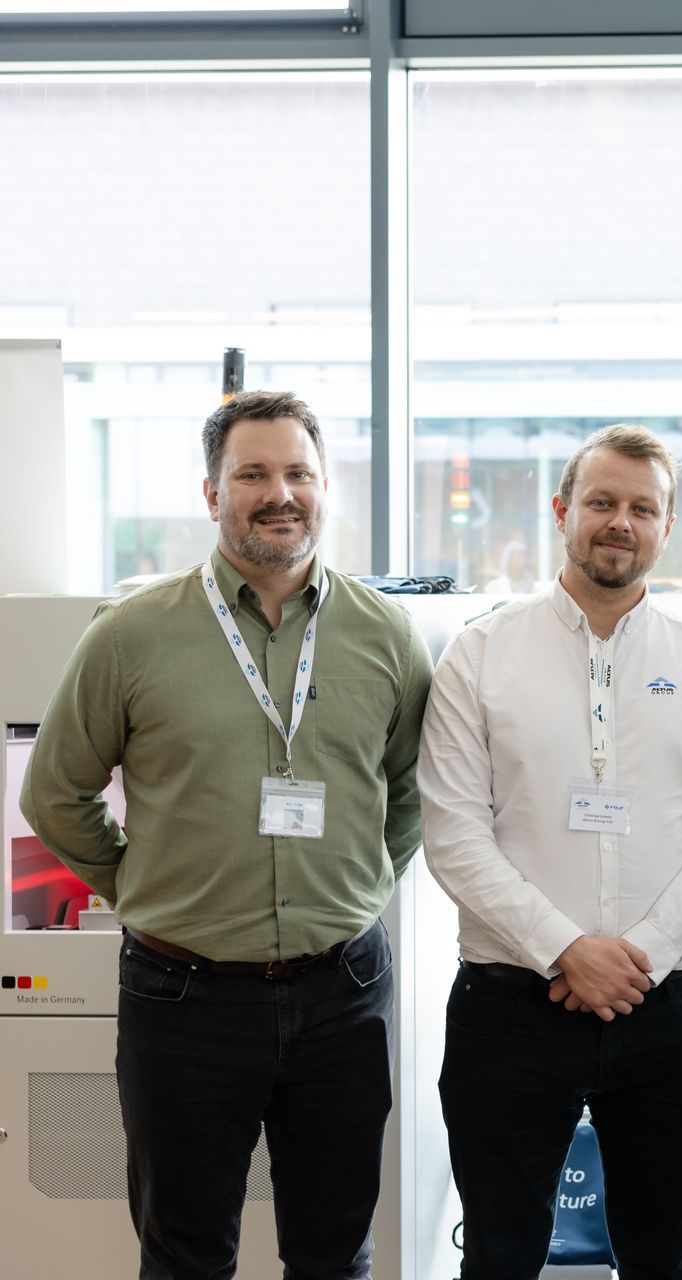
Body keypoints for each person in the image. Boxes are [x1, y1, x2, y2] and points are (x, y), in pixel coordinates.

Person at [21, 389, 434, 1280]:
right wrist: (140, 887)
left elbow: (412, 792)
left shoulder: (388, 636)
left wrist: (365, 884)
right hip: (184, 999)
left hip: (343, 994)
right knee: (185, 1257)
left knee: (335, 1257)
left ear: (324, 488)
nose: (279, 494)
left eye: (298, 473)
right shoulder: (131, 635)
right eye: (252, 474)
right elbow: (55, 793)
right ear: (212, 494)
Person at [417, 423, 682, 1280]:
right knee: (499, 1256)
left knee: (663, 1259)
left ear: (667, 526)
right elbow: (454, 834)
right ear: (561, 511)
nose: (621, 522)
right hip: (511, 1004)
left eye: (643, 509)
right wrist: (566, 949)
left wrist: (635, 956)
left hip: (668, 1007)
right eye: (602, 502)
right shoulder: (481, 654)